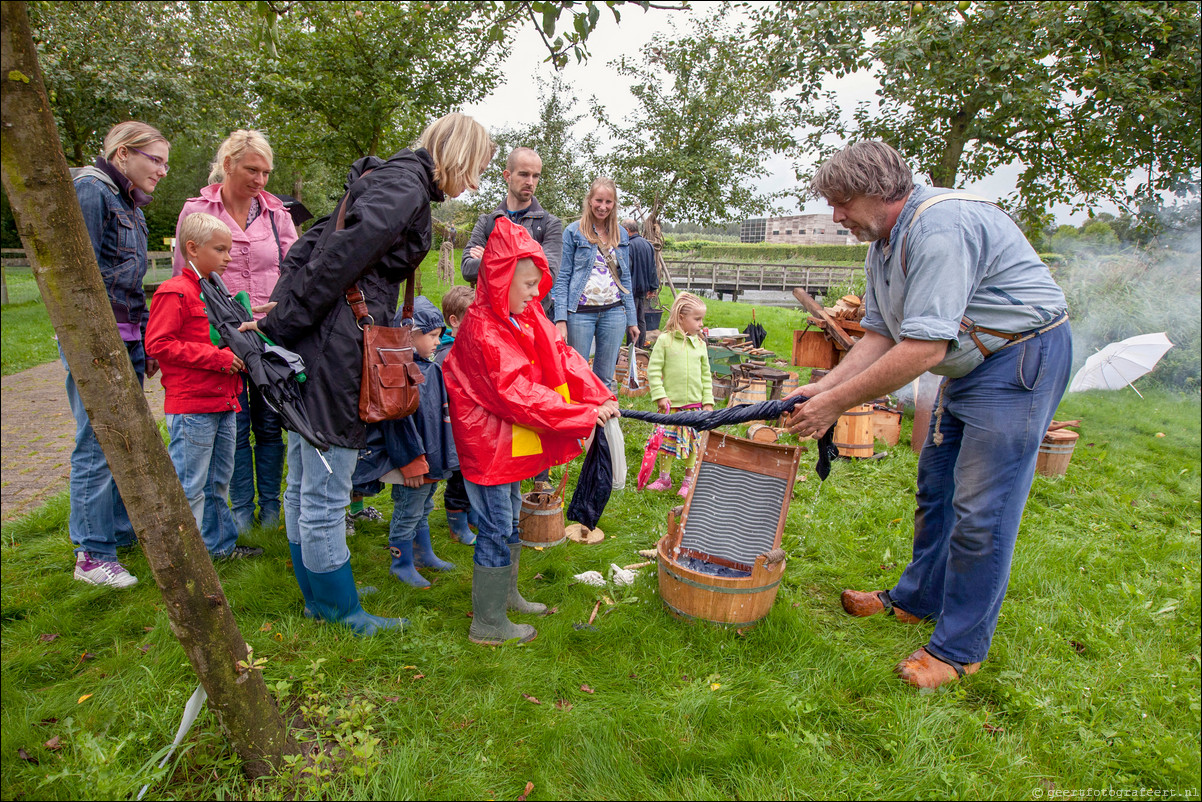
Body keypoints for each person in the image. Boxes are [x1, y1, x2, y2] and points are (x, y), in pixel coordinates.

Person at [785, 141, 1071, 689]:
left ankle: (959, 649)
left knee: (982, 511)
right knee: (936, 488)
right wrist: (821, 389)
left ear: (878, 190)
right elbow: (880, 335)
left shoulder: (940, 229)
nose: (836, 215)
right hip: (969, 361)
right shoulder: (882, 246)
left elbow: (921, 351)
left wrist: (835, 404)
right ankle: (916, 599)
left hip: (1017, 360)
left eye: (841, 202)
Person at [242, 112, 495, 637]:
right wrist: (286, 321)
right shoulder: (405, 187)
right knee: (324, 488)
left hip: (326, 335)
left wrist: (286, 313)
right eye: (475, 170)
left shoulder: (384, 180)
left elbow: (310, 245)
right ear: (459, 156)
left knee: (305, 481)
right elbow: (334, 257)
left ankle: (321, 589)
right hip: (340, 345)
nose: (472, 183)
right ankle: (338, 610)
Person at [444, 218, 618, 645]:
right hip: (487, 443)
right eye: (525, 284)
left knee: (509, 516)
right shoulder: (483, 328)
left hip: (508, 439)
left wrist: (597, 396)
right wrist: (580, 416)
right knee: (496, 525)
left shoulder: (524, 315)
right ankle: (487, 622)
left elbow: (562, 357)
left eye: (537, 283)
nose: (533, 292)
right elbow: (515, 393)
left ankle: (507, 596)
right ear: (501, 280)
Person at [173, 130, 298, 533]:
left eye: (266, 172)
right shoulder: (197, 209)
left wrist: (283, 311)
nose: (260, 179)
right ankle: (241, 512)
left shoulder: (277, 213)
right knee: (236, 427)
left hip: (267, 333)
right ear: (227, 165)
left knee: (269, 423)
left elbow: (294, 267)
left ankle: (272, 510)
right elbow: (183, 276)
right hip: (219, 336)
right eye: (251, 169)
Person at [66, 121, 170, 589]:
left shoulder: (130, 203)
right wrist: (95, 346)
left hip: (127, 338)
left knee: (128, 437)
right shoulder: (91, 190)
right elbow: (77, 277)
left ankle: (122, 535)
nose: (163, 171)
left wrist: (145, 338)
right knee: (98, 440)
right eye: (157, 159)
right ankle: (91, 554)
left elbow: (129, 280)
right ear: (124, 153)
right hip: (98, 342)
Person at [146, 213, 262, 560]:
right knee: (190, 486)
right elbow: (159, 344)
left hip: (225, 402)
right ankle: (184, 561)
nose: (228, 257)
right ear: (193, 248)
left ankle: (219, 549)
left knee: (217, 484)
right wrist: (219, 359)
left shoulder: (214, 290)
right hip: (193, 405)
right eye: (221, 249)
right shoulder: (175, 291)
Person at [383, 297, 459, 588]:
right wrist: (411, 460)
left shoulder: (428, 367)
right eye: (432, 336)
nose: (438, 342)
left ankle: (422, 553)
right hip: (412, 461)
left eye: (439, 336)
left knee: (424, 506)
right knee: (408, 509)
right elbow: (398, 422)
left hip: (431, 456)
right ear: (409, 334)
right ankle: (400, 563)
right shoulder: (398, 372)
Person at [552, 177, 640, 392]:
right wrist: (560, 318)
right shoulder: (573, 232)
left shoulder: (620, 233)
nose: (603, 207)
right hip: (580, 313)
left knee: (605, 379)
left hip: (614, 312)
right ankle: (579, 424)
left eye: (608, 202)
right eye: (598, 200)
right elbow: (562, 277)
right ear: (590, 200)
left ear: (614, 204)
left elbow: (625, 278)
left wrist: (632, 318)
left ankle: (604, 426)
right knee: (578, 376)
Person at [460, 146, 563, 321]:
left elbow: (547, 275)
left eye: (535, 175)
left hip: (534, 322)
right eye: (524, 174)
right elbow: (468, 268)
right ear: (507, 176)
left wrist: (491, 259)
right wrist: (527, 261)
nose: (530, 181)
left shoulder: (550, 224)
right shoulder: (487, 222)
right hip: (492, 321)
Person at [644, 292, 713, 497]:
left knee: (693, 444)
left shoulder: (700, 345)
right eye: (697, 319)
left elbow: (706, 376)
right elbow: (654, 371)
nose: (701, 324)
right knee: (667, 443)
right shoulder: (664, 341)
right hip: (671, 406)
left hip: (695, 406)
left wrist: (707, 402)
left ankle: (688, 480)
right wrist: (659, 395)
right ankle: (664, 478)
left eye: (702, 319)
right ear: (681, 317)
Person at [436, 285, 477, 545]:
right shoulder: (447, 355)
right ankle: (457, 525)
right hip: (455, 429)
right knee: (459, 478)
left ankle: (472, 514)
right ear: (454, 321)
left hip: (474, 427)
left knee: (472, 474)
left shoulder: (471, 346)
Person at [622, 218, 659, 348]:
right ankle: (640, 346)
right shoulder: (648, 244)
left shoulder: (628, 246)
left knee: (631, 319)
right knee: (640, 318)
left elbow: (626, 269)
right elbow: (653, 268)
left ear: (627, 230)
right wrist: (653, 287)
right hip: (643, 287)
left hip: (631, 287)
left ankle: (631, 347)